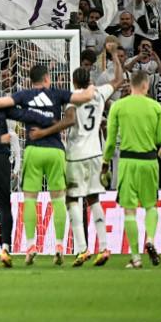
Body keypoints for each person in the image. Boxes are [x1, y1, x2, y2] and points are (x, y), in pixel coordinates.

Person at [0, 65, 96, 266]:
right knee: (58, 198)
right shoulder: (57, 93)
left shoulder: (25, 95)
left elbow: (0, 102)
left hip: (33, 150)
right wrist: (91, 87)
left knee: (30, 198)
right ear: (47, 78)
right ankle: (58, 246)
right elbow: (84, 97)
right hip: (55, 150)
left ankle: (31, 247)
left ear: (31, 80)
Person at [64, 52, 123, 267]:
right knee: (93, 199)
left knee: (72, 200)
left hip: (76, 156)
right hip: (96, 154)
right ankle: (105, 246)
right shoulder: (98, 93)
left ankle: (81, 249)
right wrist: (115, 56)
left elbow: (69, 122)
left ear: (73, 82)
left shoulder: (72, 100)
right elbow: (118, 80)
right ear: (89, 80)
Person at [104, 70, 161, 269]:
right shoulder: (155, 107)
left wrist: (105, 163)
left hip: (128, 162)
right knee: (151, 206)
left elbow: (111, 140)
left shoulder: (118, 107)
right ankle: (150, 240)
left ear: (130, 85)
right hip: (149, 161)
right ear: (146, 86)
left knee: (129, 211)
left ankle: (136, 257)